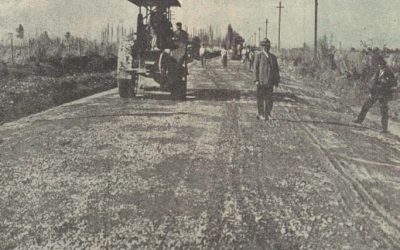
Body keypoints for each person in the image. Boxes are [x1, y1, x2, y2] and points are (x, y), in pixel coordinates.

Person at [353, 58, 398, 133]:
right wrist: (371, 92)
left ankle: (384, 129)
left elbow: (394, 83)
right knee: (366, 106)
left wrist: (386, 81)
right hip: (375, 93)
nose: (380, 66)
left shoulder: (389, 72)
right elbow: (373, 83)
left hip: (383, 94)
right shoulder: (378, 71)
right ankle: (359, 120)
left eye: (381, 64)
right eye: (379, 64)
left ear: (384, 64)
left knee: (384, 111)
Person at [254, 38, 280, 121]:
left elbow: (276, 70)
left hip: (270, 81)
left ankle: (268, 113)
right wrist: (256, 80)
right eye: (264, 46)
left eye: (267, 46)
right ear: (262, 47)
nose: (266, 47)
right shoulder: (259, 56)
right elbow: (255, 69)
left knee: (269, 98)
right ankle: (261, 114)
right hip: (261, 81)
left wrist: (276, 81)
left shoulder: (273, 57)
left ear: (269, 47)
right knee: (260, 98)